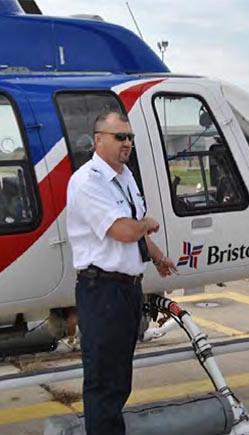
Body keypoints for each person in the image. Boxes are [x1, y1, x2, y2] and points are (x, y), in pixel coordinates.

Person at [66, 110, 177, 435]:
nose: (127, 143)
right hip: (102, 292)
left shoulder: (125, 176)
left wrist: (158, 257)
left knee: (119, 380)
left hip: (127, 291)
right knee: (104, 384)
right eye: (120, 137)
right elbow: (125, 230)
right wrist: (146, 224)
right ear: (99, 139)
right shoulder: (88, 181)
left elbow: (137, 232)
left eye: (130, 137)